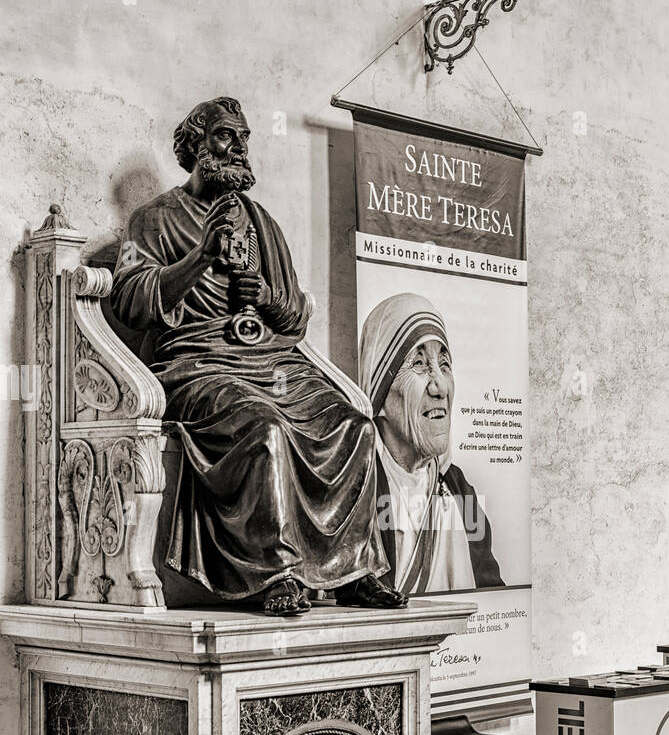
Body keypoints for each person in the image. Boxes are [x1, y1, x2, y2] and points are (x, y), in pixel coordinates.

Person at [110, 97, 406, 616]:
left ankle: (354, 571)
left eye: (245, 137)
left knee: (355, 423)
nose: (239, 146)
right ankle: (273, 575)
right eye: (226, 135)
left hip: (271, 360)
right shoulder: (153, 220)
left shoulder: (261, 223)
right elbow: (132, 302)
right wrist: (200, 257)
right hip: (195, 364)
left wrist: (265, 295)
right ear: (196, 146)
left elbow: (293, 317)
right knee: (264, 428)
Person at [359, 292, 503, 594]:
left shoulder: (458, 488)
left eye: (444, 365)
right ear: (379, 391)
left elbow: (491, 594)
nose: (439, 387)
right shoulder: (356, 490)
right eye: (420, 364)